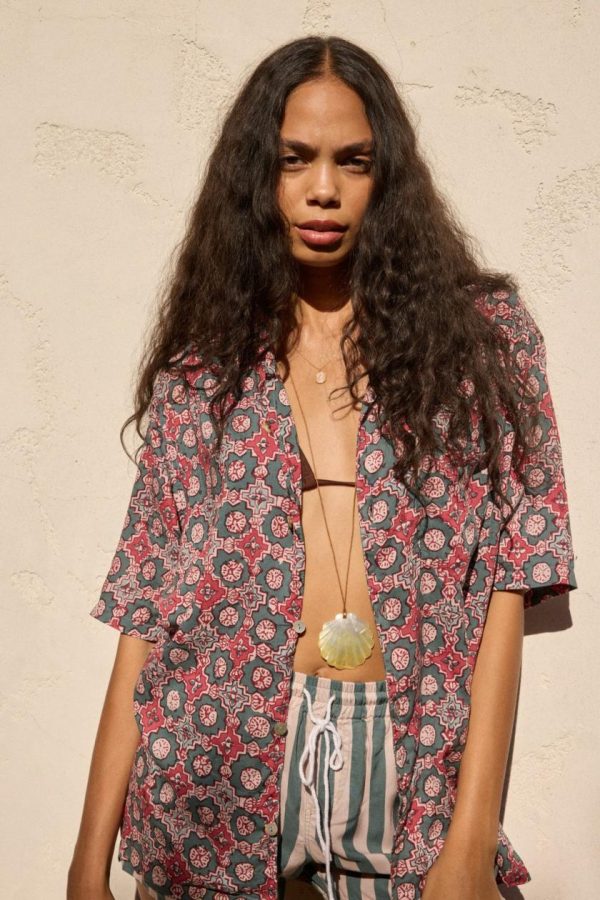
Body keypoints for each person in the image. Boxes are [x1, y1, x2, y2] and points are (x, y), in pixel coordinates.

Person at [67, 35, 577, 900]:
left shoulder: (483, 341)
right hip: (215, 783)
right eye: (293, 159)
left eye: (354, 161)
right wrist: (88, 864)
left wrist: (469, 840)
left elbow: (510, 580)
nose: (324, 189)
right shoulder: (206, 367)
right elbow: (146, 611)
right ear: (255, 176)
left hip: (408, 776)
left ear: (389, 175)